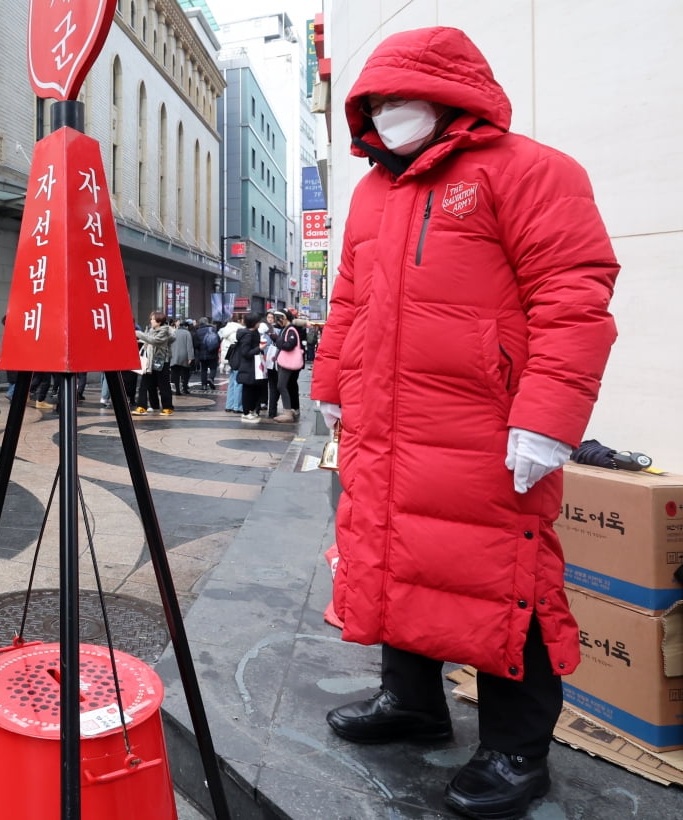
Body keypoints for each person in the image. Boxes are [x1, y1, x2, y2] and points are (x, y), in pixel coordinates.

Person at [311, 27, 619, 820]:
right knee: (392, 556)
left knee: (507, 579)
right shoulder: (373, 192)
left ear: (454, 94)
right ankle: (410, 702)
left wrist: (548, 418)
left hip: (487, 427)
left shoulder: (531, 172)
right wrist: (332, 381)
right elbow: (347, 300)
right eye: (373, 101)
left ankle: (518, 749)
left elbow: (572, 296)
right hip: (385, 424)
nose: (385, 111)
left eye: (399, 97)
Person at [132, 311, 174, 416]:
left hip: (162, 362)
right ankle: (142, 406)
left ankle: (168, 407)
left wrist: (138, 333)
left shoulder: (165, 331)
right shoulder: (151, 330)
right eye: (151, 319)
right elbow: (149, 341)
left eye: (153, 319)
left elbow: (155, 341)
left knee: (163, 385)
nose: (151, 321)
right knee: (144, 384)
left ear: (159, 322)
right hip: (149, 361)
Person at [233, 313, 266, 423]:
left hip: (254, 366)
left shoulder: (253, 333)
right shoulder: (247, 335)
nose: (260, 323)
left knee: (254, 389)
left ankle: (251, 411)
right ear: (254, 323)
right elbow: (245, 352)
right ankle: (246, 412)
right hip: (248, 366)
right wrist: (259, 348)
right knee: (248, 389)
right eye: (258, 322)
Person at [270, 311, 302, 423]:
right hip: (285, 361)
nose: (278, 323)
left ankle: (287, 412)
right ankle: (288, 411)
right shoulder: (288, 329)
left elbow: (288, 345)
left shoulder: (291, 329)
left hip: (287, 362)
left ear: (284, 318)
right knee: (284, 386)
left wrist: (277, 339)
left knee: (281, 386)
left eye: (278, 319)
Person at [169, 318, 194, 396]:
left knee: (175, 373)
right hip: (184, 356)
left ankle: (177, 390)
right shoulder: (187, 333)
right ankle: (185, 388)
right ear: (186, 326)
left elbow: (170, 345)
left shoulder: (174, 332)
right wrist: (190, 357)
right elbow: (189, 346)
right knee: (185, 373)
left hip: (174, 355)